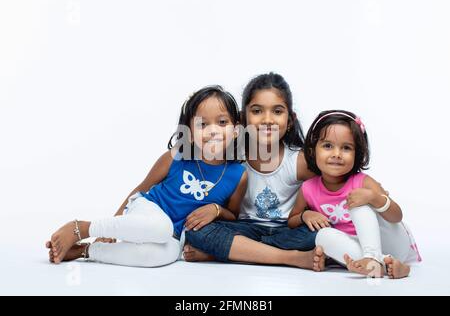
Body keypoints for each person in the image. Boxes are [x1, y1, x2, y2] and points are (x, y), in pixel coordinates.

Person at [46, 85, 247, 267]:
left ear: (236, 130)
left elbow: (233, 216)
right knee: (161, 228)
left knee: (163, 256)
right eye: (202, 124)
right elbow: (141, 188)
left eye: (222, 122)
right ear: (190, 133)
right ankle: (83, 228)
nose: (213, 131)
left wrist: (216, 209)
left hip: (176, 235)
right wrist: (108, 231)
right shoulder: (176, 157)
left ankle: (85, 251)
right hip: (147, 210)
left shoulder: (239, 175)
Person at [184, 73, 325, 271]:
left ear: (290, 119)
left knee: (321, 234)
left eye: (277, 111)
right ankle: (290, 258)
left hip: (286, 231)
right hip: (244, 228)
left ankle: (232, 253)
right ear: (243, 118)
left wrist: (307, 215)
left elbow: (326, 193)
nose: (267, 120)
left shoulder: (299, 160)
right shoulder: (233, 156)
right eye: (257, 111)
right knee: (197, 231)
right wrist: (214, 209)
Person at [288, 110, 421, 278]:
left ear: (358, 153)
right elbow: (292, 221)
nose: (336, 154)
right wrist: (305, 215)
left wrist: (374, 198)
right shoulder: (308, 188)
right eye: (328, 146)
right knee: (322, 236)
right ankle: (385, 265)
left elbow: (396, 217)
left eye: (346, 148)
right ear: (313, 150)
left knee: (359, 200)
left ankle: (374, 258)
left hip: (392, 242)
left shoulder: (363, 182)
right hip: (358, 248)